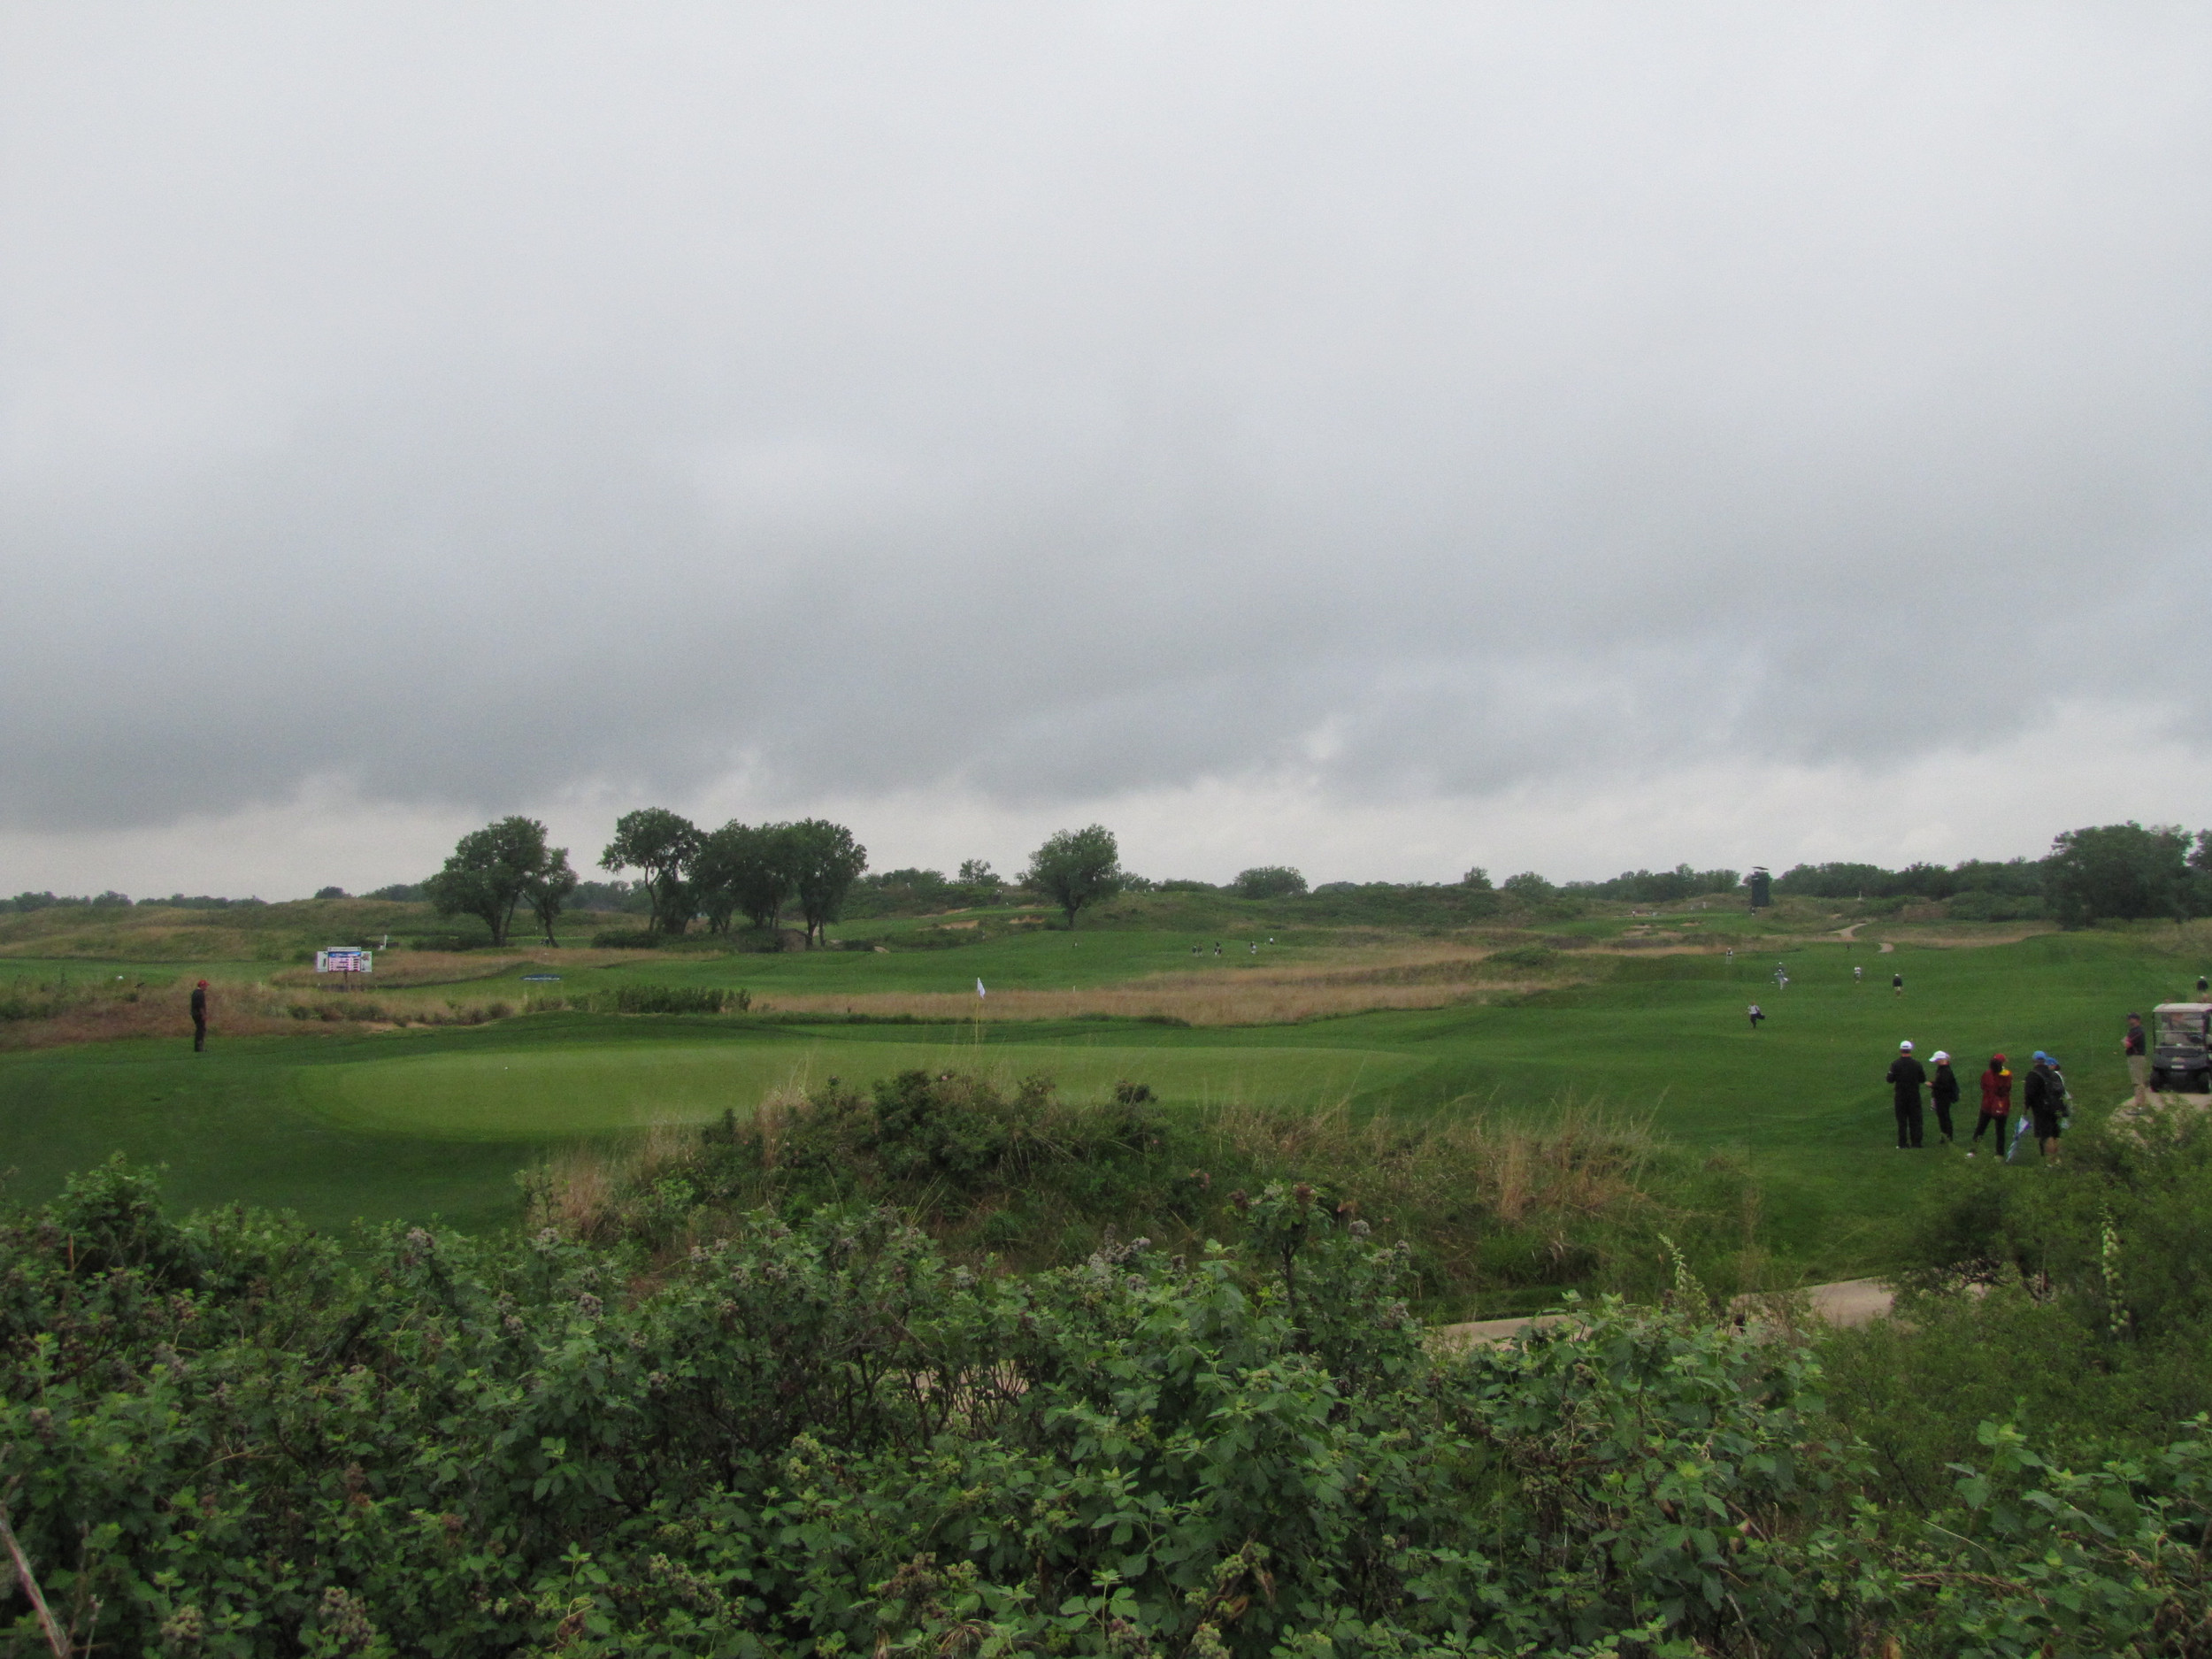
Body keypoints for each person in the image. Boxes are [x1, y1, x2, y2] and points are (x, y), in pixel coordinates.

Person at [2023, 1050, 2067, 1159]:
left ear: (2034, 1061)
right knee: (2056, 1133)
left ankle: (2050, 1161)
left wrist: (2026, 1107)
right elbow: (2060, 1091)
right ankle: (2059, 1159)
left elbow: (2029, 1094)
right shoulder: (2053, 1073)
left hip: (2042, 1109)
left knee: (2046, 1135)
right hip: (2055, 1108)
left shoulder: (2033, 1075)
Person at [1969, 1053, 2011, 1156]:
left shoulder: (1987, 1074)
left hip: (1987, 1105)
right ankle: (1999, 1154)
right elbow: (2007, 1088)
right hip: (2001, 1106)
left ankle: (1973, 1151)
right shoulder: (2007, 1075)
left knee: (1980, 1128)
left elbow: (1983, 1086)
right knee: (2000, 1131)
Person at [1887, 1040, 1927, 1148]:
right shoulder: (1917, 1064)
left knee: (1902, 1121)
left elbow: (1890, 1079)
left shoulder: (1895, 1064)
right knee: (1916, 1120)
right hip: (1914, 1095)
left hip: (1900, 1096)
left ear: (1901, 1050)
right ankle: (1916, 1142)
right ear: (1910, 1050)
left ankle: (1902, 1143)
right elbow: (1922, 1079)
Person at [1929, 1051, 1961, 1144]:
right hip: (1941, 1097)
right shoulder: (1942, 1069)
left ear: (1940, 1060)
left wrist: (1933, 1085)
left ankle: (1948, 1137)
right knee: (1942, 1117)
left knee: (1944, 1117)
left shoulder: (1945, 1071)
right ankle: (1945, 1136)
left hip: (1943, 1098)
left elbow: (1945, 1086)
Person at [2124, 1012, 2150, 1105]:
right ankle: (2140, 1104)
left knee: (2138, 1082)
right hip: (2133, 1057)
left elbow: (2127, 1043)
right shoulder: (2133, 1030)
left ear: (2137, 1020)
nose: (2129, 1020)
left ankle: (2140, 1105)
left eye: (2131, 1018)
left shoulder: (2138, 1031)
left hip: (2137, 1057)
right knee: (2136, 1081)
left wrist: (2126, 1041)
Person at [189, 979, 209, 1052]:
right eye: (205, 986)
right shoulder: (200, 994)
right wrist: (203, 1015)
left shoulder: (194, 992)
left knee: (199, 1029)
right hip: (199, 1015)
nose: (206, 987)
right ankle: (199, 1048)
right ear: (202, 986)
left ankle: (198, 1047)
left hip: (194, 1014)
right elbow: (201, 1006)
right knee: (201, 1030)